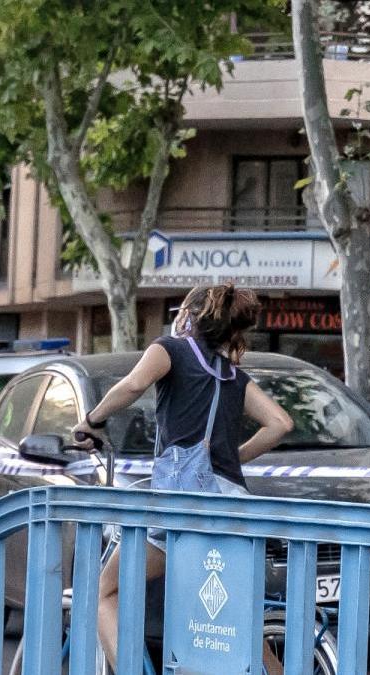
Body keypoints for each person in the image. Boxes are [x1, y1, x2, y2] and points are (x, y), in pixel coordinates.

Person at [72, 284, 294, 672]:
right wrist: (231, 458)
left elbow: (133, 384)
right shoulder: (233, 376)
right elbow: (281, 423)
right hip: (232, 508)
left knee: (104, 593)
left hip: (185, 505)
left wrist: (91, 421)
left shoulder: (169, 349)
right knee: (234, 624)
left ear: (188, 316)